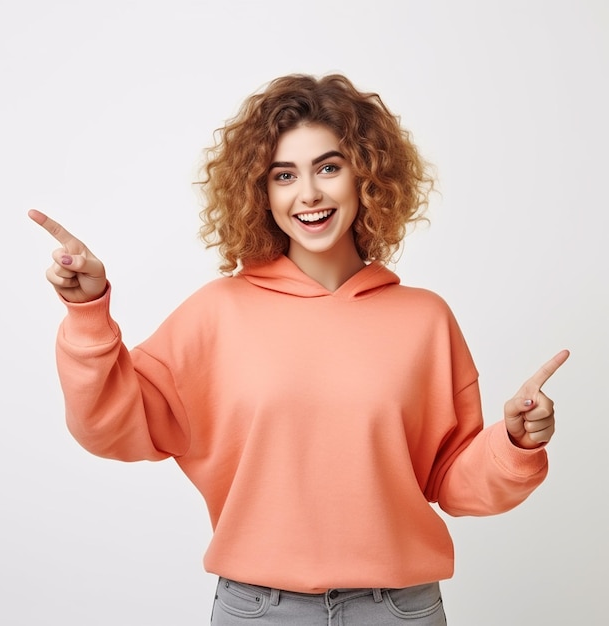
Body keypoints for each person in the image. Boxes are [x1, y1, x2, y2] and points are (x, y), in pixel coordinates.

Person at [29, 73, 569, 625]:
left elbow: (450, 480)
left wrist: (514, 443)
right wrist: (89, 310)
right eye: (283, 175)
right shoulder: (219, 312)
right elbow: (111, 424)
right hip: (261, 610)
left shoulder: (424, 318)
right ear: (260, 192)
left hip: (399, 610)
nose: (308, 193)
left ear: (368, 176)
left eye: (328, 167)